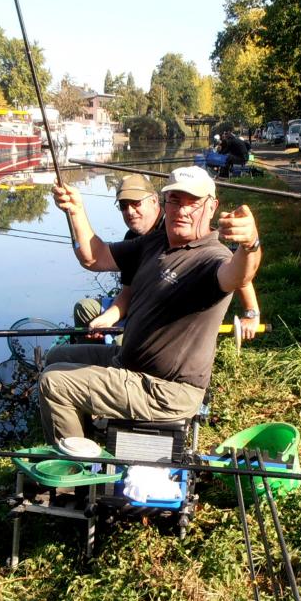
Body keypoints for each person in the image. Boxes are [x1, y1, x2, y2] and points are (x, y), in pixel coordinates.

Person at [38, 166, 262, 445]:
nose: (183, 210)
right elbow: (94, 258)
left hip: (165, 390)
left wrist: (250, 244)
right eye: (175, 201)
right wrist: (75, 210)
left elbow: (239, 275)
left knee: (54, 383)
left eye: (193, 202)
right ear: (164, 203)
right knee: (57, 357)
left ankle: (74, 473)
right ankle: (86, 439)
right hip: (128, 363)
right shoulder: (155, 242)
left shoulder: (211, 257)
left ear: (212, 207)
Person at [72, 173, 262, 342]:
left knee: (122, 341)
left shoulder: (180, 232)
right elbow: (125, 286)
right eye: (123, 206)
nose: (130, 212)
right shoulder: (137, 238)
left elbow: (238, 275)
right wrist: (109, 317)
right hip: (141, 305)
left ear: (155, 201)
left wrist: (251, 312)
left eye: (136, 204)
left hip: (166, 322)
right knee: (84, 309)